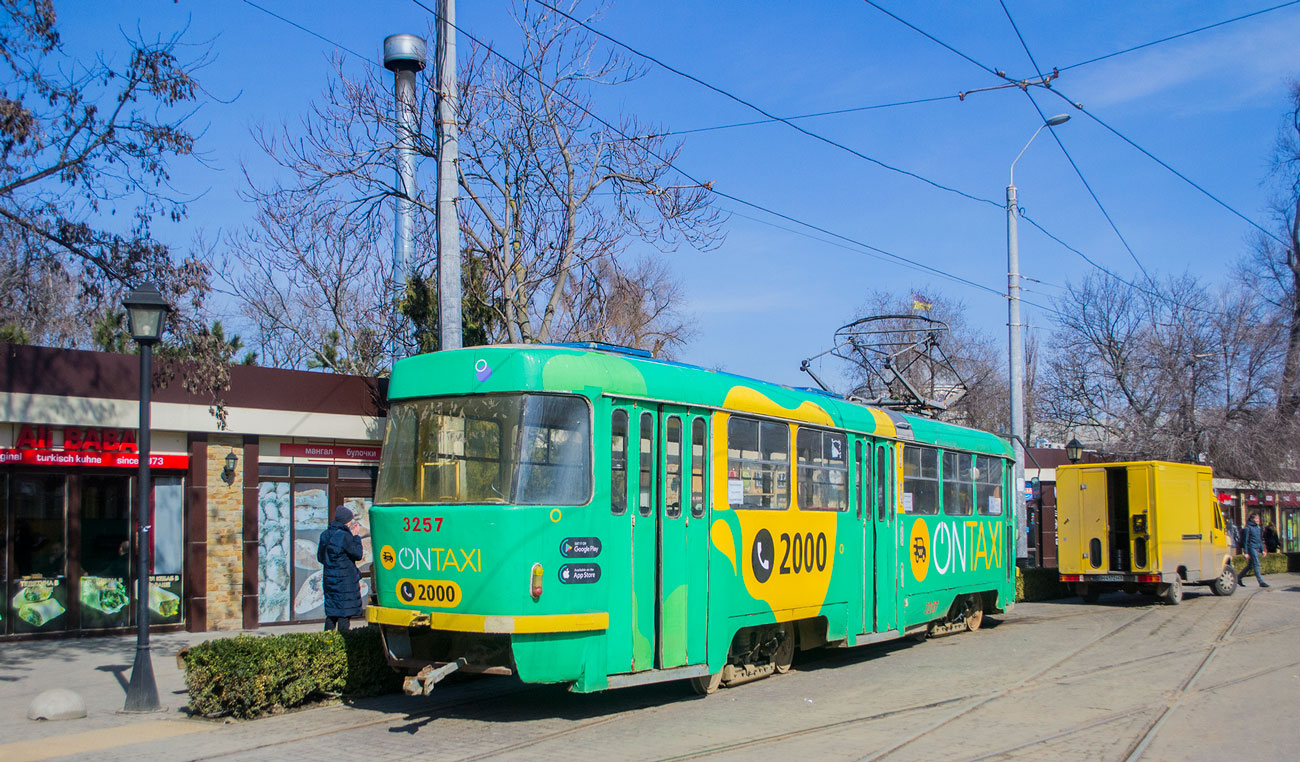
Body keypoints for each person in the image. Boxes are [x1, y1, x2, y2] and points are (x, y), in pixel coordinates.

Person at [317, 505, 364, 631]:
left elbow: (320, 557)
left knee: (332, 614)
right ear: (347, 521)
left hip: (329, 580)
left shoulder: (325, 535)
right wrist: (356, 537)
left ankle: (327, 643)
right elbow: (358, 555)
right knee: (344, 614)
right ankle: (343, 644)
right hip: (345, 582)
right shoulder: (345, 536)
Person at [1237, 513, 1270, 588]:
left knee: (1250, 565)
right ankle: (1260, 582)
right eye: (1256, 519)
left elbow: (1259, 540)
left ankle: (1238, 578)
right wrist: (1245, 552)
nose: (1258, 520)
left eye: (1258, 519)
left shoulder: (1258, 528)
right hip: (1251, 548)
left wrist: (1262, 550)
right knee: (1256, 564)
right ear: (1252, 519)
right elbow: (1245, 541)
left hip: (1257, 547)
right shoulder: (1247, 528)